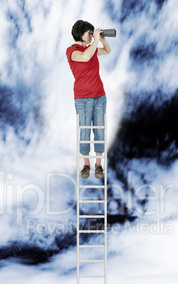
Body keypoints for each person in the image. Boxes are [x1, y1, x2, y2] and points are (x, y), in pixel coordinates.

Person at [66, 20, 111, 179]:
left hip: (100, 96)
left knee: (99, 130)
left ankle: (98, 163)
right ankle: (86, 164)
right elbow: (85, 57)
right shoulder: (72, 51)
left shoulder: (91, 49)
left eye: (93, 33)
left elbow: (107, 50)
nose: (92, 36)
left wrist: (102, 38)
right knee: (84, 132)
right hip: (83, 99)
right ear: (80, 34)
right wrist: (96, 40)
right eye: (89, 33)